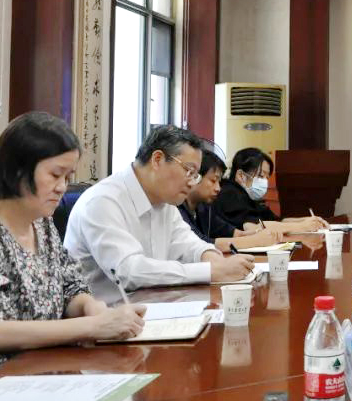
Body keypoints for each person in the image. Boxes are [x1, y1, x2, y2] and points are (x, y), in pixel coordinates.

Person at [0, 113, 145, 388]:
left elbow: (71, 288)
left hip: (45, 375)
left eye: (68, 177)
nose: (62, 187)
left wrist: (91, 307)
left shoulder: (41, 225)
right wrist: (93, 327)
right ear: (18, 171)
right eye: (55, 175)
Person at [64, 126, 255, 300]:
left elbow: (188, 244)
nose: (192, 182)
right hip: (107, 317)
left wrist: (211, 257)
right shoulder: (103, 201)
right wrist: (210, 271)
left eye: (196, 175)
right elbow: (129, 272)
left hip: (154, 308)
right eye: (189, 171)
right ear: (157, 160)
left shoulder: (165, 202)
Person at [179, 150, 280, 251]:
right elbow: (200, 243)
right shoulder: (178, 207)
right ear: (195, 176)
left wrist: (255, 234)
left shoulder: (203, 207)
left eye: (219, 182)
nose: (218, 188)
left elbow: (230, 231)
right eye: (213, 181)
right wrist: (255, 241)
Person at [214, 147, 326, 235]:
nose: (264, 182)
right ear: (241, 175)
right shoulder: (229, 194)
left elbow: (278, 222)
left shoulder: (249, 196)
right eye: (260, 176)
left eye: (267, 177)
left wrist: (308, 220)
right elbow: (256, 227)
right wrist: (302, 227)